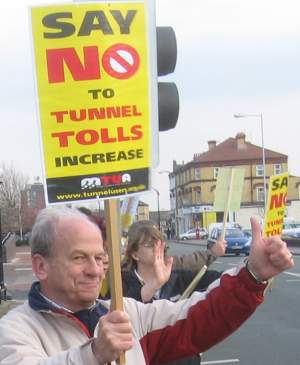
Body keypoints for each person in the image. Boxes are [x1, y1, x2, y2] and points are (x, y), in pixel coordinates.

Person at [0, 207, 294, 365]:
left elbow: (199, 319)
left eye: (100, 257)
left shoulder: (124, 312)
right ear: (40, 266)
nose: (94, 270)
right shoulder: (16, 330)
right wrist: (94, 355)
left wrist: (253, 275)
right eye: (79, 258)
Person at [121, 220, 225, 365]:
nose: (159, 249)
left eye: (161, 244)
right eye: (151, 245)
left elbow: (221, 280)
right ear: (135, 254)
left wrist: (252, 268)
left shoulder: (177, 277)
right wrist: (154, 284)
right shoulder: (121, 284)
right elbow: (129, 312)